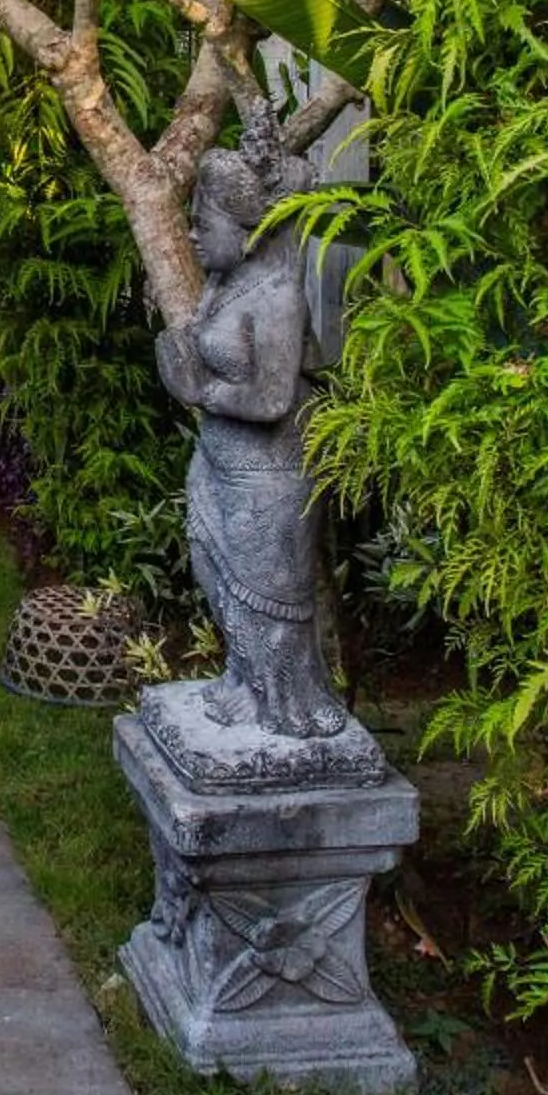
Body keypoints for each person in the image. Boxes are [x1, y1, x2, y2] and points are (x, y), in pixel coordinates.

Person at [151, 142, 348, 738]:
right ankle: (244, 677)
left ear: (247, 228)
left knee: (267, 593)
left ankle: (282, 699)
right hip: (219, 462)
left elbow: (271, 399)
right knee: (217, 574)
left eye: (203, 222)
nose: (191, 233)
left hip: (269, 473)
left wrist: (201, 393)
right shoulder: (223, 284)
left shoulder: (277, 297)